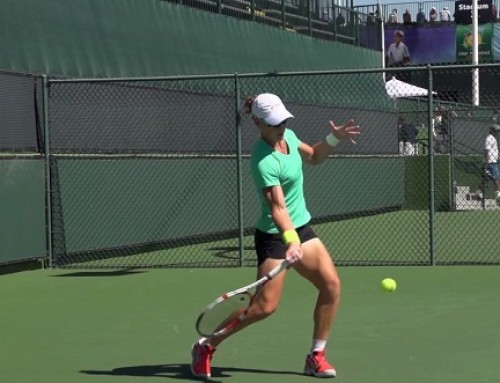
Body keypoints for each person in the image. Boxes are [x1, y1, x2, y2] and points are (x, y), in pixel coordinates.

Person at [190, 93, 360, 379]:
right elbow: (278, 208)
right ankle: (206, 345)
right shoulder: (263, 161)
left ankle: (315, 357)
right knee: (263, 308)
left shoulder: (290, 138)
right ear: (257, 122)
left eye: (283, 120)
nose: (280, 126)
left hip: (302, 228)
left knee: (331, 286)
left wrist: (333, 139)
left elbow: (315, 157)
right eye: (274, 123)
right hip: (274, 236)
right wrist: (291, 241)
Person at [473, 124, 500, 205]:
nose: (497, 132)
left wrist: (498, 155)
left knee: (486, 180)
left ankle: (477, 193)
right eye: (496, 130)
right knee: (496, 179)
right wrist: (487, 164)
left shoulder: (494, 138)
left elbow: (495, 150)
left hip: (494, 161)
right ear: (492, 131)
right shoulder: (489, 139)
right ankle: (498, 197)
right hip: (491, 162)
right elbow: (487, 151)